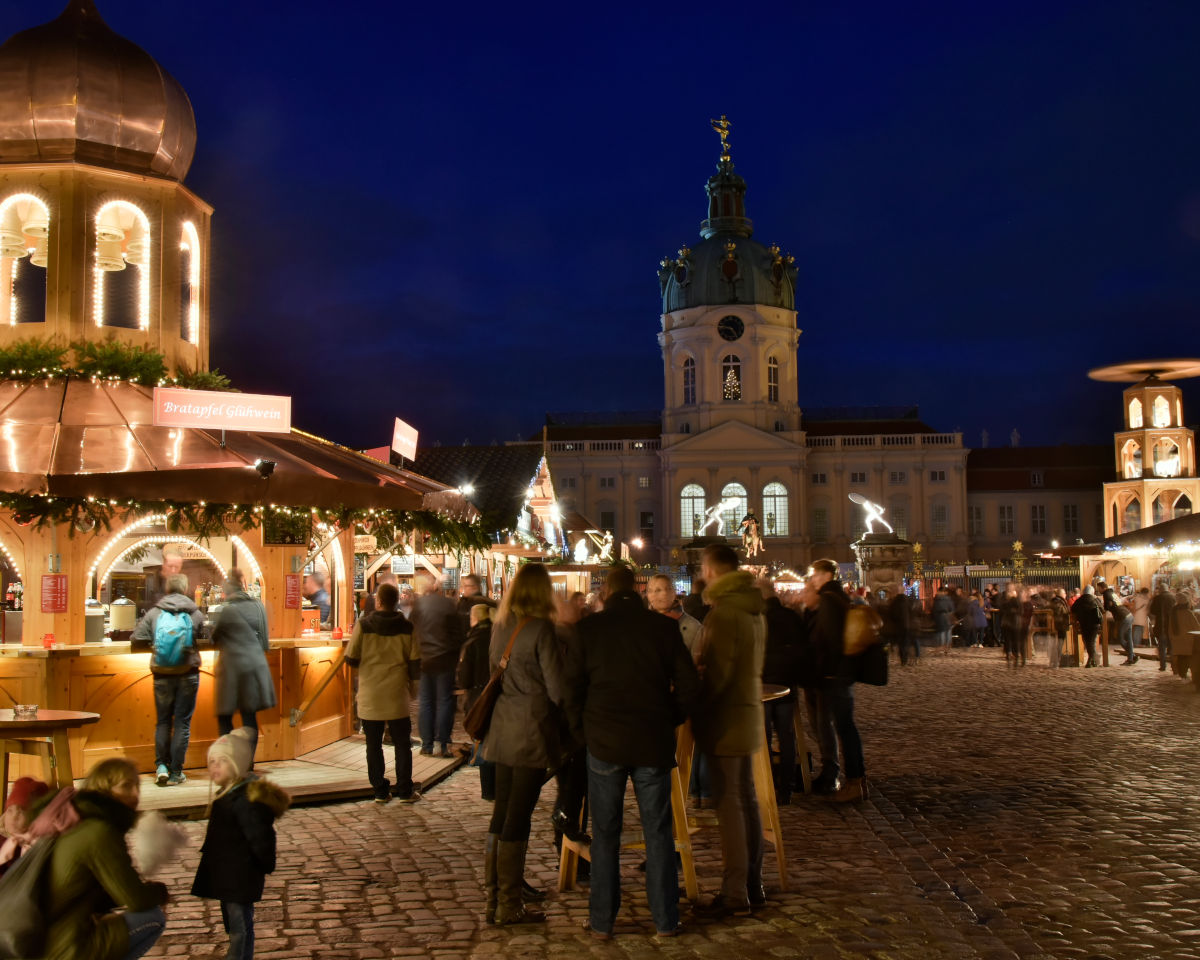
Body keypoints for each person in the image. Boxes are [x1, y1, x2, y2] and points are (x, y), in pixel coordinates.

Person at [566, 565, 700, 940]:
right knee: (658, 831)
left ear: (605, 592)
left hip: (604, 741)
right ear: (639, 591)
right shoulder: (662, 628)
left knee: (605, 833)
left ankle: (602, 920)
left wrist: (584, 731)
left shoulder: (588, 629)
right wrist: (668, 717)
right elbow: (689, 687)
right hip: (651, 740)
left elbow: (569, 690)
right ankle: (665, 919)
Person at [480, 563, 565, 925]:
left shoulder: (500, 626)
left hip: (500, 728)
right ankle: (509, 904)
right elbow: (557, 688)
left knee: (501, 812)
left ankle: (494, 898)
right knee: (519, 815)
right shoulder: (541, 629)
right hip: (530, 730)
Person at [693, 544, 766, 918]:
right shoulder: (752, 609)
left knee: (731, 806)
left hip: (725, 721)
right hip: (748, 715)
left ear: (712, 569)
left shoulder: (723, 615)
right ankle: (754, 882)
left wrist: (695, 697)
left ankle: (735, 891)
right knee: (747, 802)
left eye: (704, 568)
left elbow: (717, 677)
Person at [44, 757, 169, 960]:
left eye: (137, 786)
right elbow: (135, 900)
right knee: (152, 917)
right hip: (65, 946)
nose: (136, 794)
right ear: (105, 788)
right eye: (126, 786)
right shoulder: (100, 831)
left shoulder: (80, 819)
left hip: (50, 937)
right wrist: (160, 892)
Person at [192, 728, 291, 960]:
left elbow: (260, 836)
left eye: (222, 761)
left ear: (237, 764)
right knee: (233, 922)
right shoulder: (227, 795)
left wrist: (264, 863)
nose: (214, 766)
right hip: (228, 874)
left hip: (240, 874)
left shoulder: (245, 801)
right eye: (211, 761)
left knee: (239, 925)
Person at [344, 581, 421, 803]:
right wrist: (413, 688)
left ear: (378, 602)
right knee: (402, 744)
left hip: (371, 693)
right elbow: (415, 662)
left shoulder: (364, 625)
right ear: (397, 602)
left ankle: (379, 790)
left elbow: (351, 657)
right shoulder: (407, 628)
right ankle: (405, 790)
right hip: (396, 692)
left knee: (373, 744)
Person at [132, 571, 205, 786]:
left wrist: (154, 645)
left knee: (163, 722)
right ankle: (176, 772)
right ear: (185, 589)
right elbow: (205, 637)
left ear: (167, 589)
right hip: (188, 673)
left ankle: (161, 767)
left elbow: (137, 638)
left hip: (162, 674)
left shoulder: (155, 613)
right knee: (182, 723)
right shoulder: (195, 613)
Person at [807, 558, 867, 802]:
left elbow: (830, 641)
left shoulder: (829, 601)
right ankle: (856, 780)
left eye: (814, 575)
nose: (812, 579)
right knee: (843, 727)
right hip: (840, 674)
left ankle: (854, 782)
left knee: (843, 727)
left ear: (825, 575)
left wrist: (823, 671)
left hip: (834, 675)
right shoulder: (840, 597)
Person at [211, 569, 276, 768]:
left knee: (225, 718)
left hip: (231, 670)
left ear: (226, 590)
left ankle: (229, 762)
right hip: (254, 668)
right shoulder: (258, 606)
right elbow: (265, 641)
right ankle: (247, 764)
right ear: (243, 585)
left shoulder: (225, 609)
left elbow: (214, 639)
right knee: (249, 718)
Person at [410, 572, 466, 757]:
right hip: (445, 659)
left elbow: (411, 630)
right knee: (444, 702)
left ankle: (426, 745)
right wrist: (455, 654)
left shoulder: (419, 605)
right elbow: (459, 634)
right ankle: (443, 744)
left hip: (425, 659)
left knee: (425, 702)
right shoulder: (449, 605)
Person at [758, 577, 802, 806]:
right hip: (786, 686)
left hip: (763, 687)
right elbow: (802, 649)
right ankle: (787, 788)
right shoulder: (791, 617)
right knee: (786, 738)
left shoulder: (758, 619)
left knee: (763, 739)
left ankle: (766, 785)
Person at [646, 573, 703, 658]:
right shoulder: (641, 624)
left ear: (674, 592)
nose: (664, 593)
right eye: (658, 590)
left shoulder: (694, 627)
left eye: (668, 589)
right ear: (648, 595)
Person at [1103, 584, 1138, 665]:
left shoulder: (1107, 594)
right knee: (1129, 639)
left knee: (1120, 638)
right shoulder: (1113, 595)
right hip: (1128, 615)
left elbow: (1106, 607)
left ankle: (1132, 655)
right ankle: (1131, 658)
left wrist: (1107, 607)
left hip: (1124, 617)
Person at [1071, 585, 1104, 667]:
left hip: (1083, 623)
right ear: (1092, 592)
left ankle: (1092, 660)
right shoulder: (1095, 600)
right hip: (1094, 623)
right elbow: (1102, 610)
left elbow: (1072, 609)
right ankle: (1092, 660)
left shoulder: (1079, 600)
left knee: (1087, 642)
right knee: (1091, 642)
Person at [886, 584, 917, 665]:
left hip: (898, 625)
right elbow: (912, 612)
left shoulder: (895, 601)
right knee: (906, 642)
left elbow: (891, 614)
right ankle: (905, 658)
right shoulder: (908, 600)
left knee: (900, 643)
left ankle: (903, 659)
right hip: (907, 625)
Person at [1151, 584, 1175, 671]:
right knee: (1172, 647)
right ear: (1167, 589)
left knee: (1162, 647)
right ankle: (1174, 666)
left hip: (1161, 626)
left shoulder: (1157, 598)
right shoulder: (1173, 597)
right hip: (1171, 626)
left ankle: (1162, 665)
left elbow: (1152, 611)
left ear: (1160, 590)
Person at [999, 584, 1024, 666]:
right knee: (1008, 639)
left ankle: (1016, 654)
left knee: (1016, 639)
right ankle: (1009, 653)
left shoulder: (1017, 598)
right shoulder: (1004, 597)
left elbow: (1020, 609)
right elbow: (1002, 608)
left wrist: (1013, 598)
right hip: (1007, 622)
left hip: (1015, 622)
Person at [1049, 588, 1071, 668]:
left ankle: (1055, 660)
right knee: (1059, 643)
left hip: (1060, 625)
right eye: (1064, 593)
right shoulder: (1058, 601)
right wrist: (1067, 611)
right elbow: (1061, 611)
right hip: (1060, 625)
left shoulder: (1057, 601)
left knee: (1059, 643)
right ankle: (1056, 661)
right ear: (1061, 594)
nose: (1065, 594)